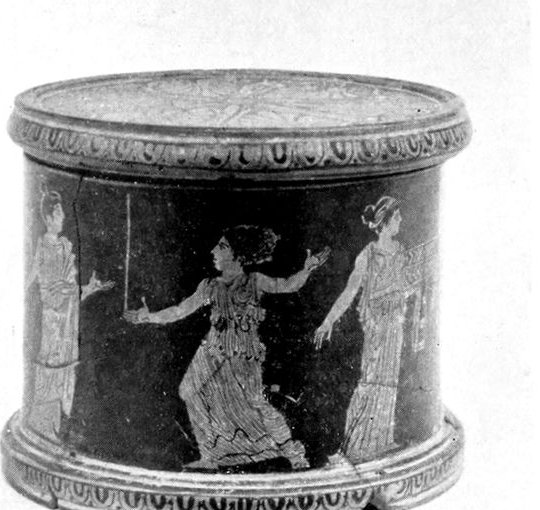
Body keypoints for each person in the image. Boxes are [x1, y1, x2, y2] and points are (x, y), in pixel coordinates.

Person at [124, 225, 330, 470]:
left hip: (243, 350)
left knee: (255, 401)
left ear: (238, 254)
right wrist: (147, 317)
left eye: (222, 247)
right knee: (189, 390)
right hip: (213, 349)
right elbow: (180, 310)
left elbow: (286, 285)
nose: (213, 251)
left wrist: (307, 269)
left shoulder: (254, 281)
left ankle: (294, 455)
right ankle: (210, 456)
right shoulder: (210, 286)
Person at [314, 196, 415, 465]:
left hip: (394, 324)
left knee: (389, 380)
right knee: (371, 379)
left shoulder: (401, 252)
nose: (401, 221)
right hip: (377, 327)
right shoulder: (367, 256)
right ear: (384, 222)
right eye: (396, 217)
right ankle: (356, 443)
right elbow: (350, 292)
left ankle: (380, 440)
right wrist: (328, 321)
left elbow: (408, 285)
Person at [26, 184, 113, 441]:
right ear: (48, 217)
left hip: (66, 319)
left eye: (63, 213)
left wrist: (91, 288)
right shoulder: (43, 247)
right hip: (52, 320)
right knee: (51, 368)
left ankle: (57, 429)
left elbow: (69, 289)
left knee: (65, 371)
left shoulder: (64, 245)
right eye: (59, 213)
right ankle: (44, 428)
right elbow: (38, 283)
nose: (64, 217)